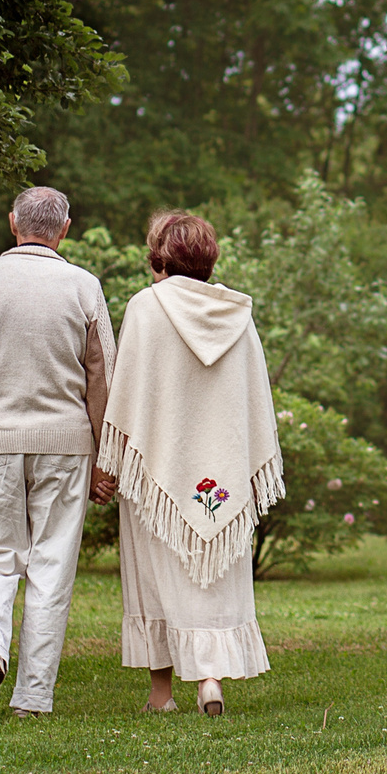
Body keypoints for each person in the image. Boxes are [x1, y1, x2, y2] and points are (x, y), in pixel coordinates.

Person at [0, 186, 118, 719]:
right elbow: (106, 378)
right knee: (51, 567)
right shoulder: (85, 287)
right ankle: (33, 697)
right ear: (65, 229)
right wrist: (110, 460)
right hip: (67, 447)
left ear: (13, 223)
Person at [98, 210, 283, 716]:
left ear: (160, 255)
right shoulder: (237, 316)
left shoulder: (145, 309)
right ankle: (210, 680)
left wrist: (112, 463)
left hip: (158, 470)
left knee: (156, 577)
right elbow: (254, 403)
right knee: (215, 576)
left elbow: (128, 396)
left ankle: (162, 696)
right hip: (220, 478)